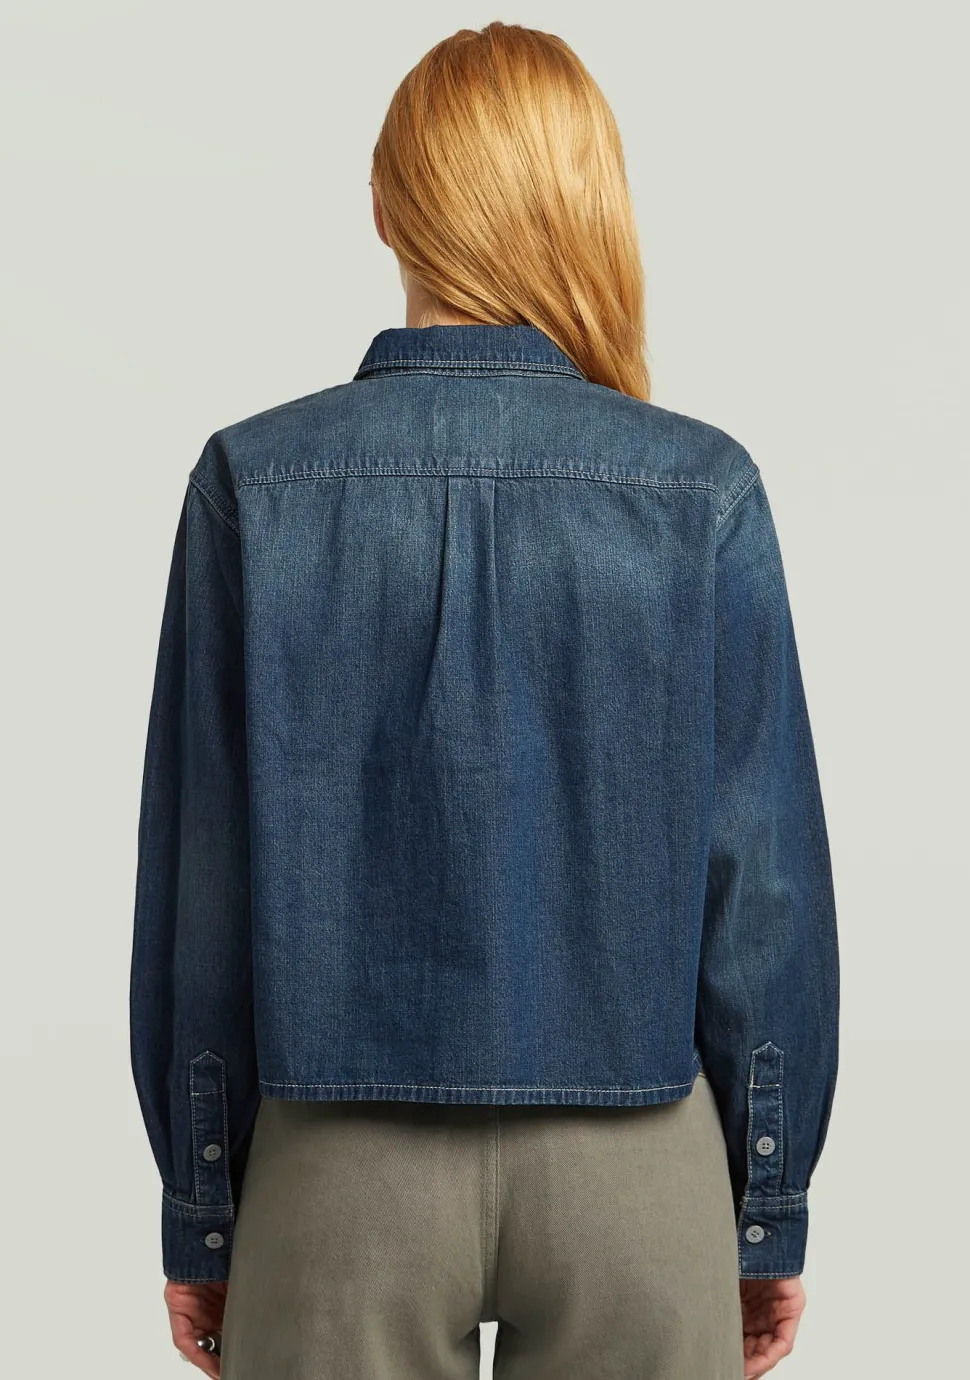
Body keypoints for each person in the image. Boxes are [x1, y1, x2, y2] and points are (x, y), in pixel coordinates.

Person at [129, 20, 839, 1380]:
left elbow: (204, 890)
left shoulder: (255, 484)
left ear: (386, 205)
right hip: (638, 1164)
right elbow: (761, 895)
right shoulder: (700, 492)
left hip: (336, 1168)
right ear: (589, 202)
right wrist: (764, 1200)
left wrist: (206, 1200)